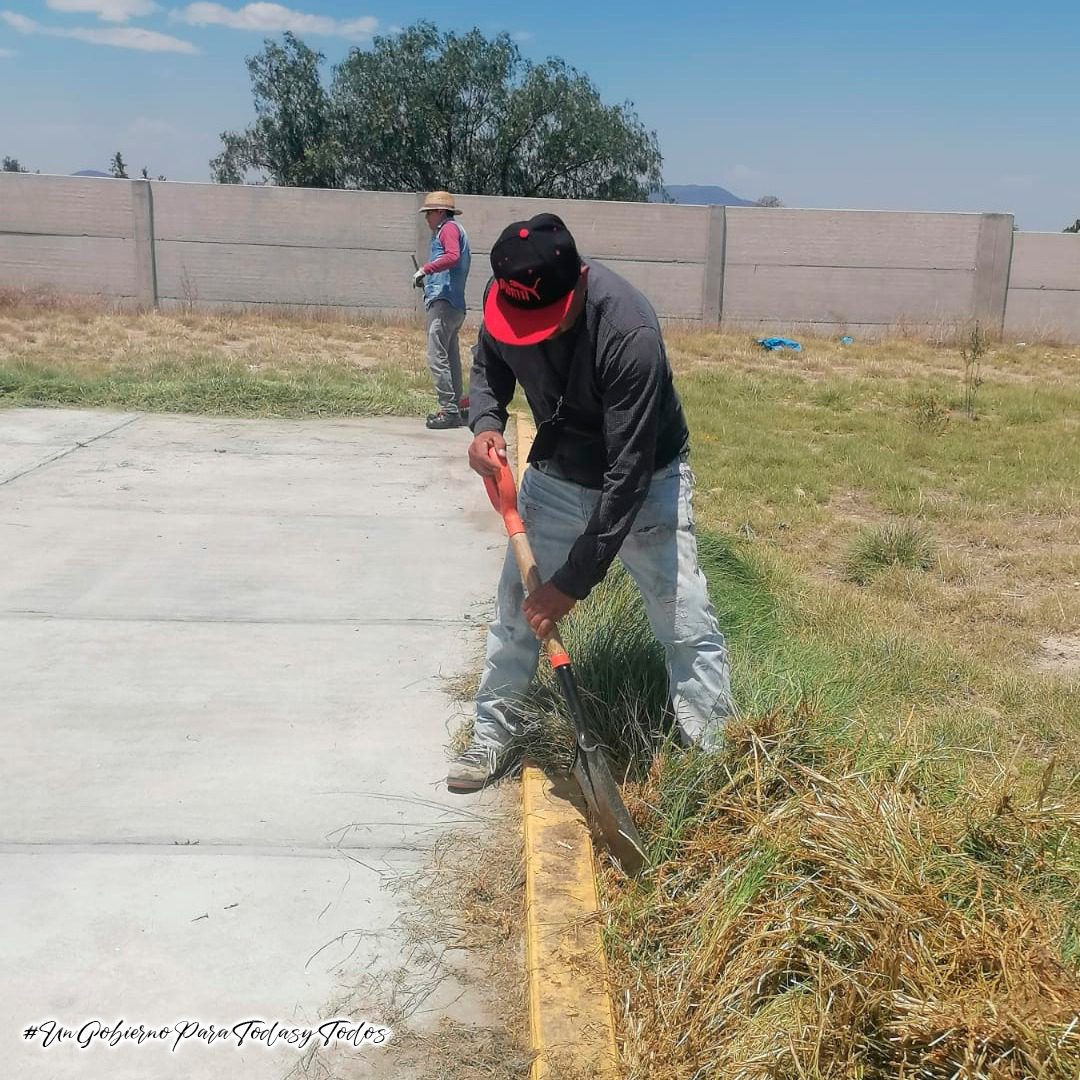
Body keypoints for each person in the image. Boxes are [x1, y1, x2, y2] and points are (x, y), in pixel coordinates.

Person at [447, 212, 735, 791]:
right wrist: (485, 423)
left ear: (578, 282)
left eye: (546, 324)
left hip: (646, 481)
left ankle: (714, 764)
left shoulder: (630, 333)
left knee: (684, 622)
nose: (536, 335)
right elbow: (489, 367)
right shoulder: (508, 294)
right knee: (513, 612)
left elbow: (625, 480)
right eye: (522, 323)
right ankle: (489, 737)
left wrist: (568, 586)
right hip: (556, 470)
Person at [413, 191, 472, 430]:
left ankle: (448, 410)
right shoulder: (458, 230)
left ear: (439, 212)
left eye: (428, 213)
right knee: (450, 357)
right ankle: (455, 406)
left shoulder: (447, 229)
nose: (426, 218)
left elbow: (451, 257)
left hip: (444, 303)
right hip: (455, 304)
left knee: (436, 356)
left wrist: (425, 270)